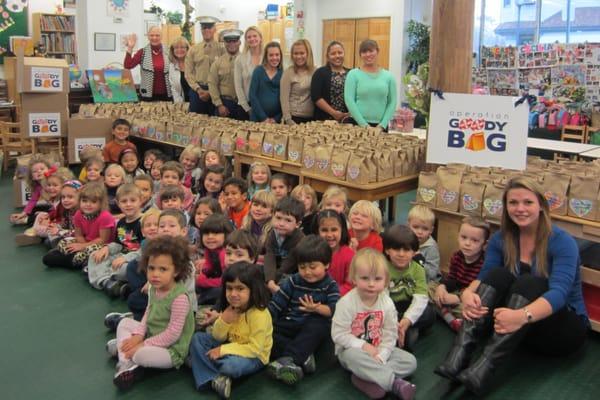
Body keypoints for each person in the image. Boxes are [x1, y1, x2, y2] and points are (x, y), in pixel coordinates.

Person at [435, 177, 589, 396]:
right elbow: (486, 275)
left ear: (541, 207)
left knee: (530, 282)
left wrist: (521, 316)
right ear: (506, 207)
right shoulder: (501, 239)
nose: (520, 208)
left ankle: (484, 368)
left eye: (528, 202)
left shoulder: (562, 242)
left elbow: (560, 294)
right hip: (517, 330)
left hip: (560, 330)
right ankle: (458, 357)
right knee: (499, 274)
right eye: (513, 203)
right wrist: (468, 293)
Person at [109, 236, 195, 390]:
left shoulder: (180, 298)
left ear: (176, 271)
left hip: (171, 350)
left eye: (163, 269)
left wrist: (143, 344)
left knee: (141, 355)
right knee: (124, 323)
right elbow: (148, 312)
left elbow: (173, 335)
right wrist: (139, 335)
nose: (155, 274)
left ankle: (126, 356)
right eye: (151, 268)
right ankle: (125, 364)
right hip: (152, 335)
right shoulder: (153, 288)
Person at [332, 249, 417, 400]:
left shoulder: (387, 303)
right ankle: (394, 384)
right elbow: (338, 335)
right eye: (365, 278)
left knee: (410, 362)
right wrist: (363, 346)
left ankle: (365, 378)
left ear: (385, 280)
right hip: (353, 352)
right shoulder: (345, 303)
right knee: (352, 356)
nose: (371, 284)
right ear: (354, 278)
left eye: (377, 279)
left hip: (379, 351)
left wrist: (383, 355)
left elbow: (390, 333)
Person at [190, 262, 272, 399]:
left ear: (254, 289)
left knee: (231, 366)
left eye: (240, 289)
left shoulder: (260, 314)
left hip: (254, 357)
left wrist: (222, 350)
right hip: (230, 346)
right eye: (229, 288)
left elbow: (255, 349)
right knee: (198, 338)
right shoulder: (231, 307)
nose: (233, 294)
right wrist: (224, 320)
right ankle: (214, 379)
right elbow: (218, 337)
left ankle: (202, 364)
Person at [268, 235, 340, 385]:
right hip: (290, 322)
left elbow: (333, 311)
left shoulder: (330, 285)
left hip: (311, 326)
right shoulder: (293, 281)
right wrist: (264, 321)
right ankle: (303, 357)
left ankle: (289, 360)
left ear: (326, 264)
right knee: (268, 334)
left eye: (313, 267)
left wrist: (317, 308)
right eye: (302, 267)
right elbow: (277, 303)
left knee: (320, 326)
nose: (307, 272)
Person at [429, 217, 489, 332]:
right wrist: (442, 287)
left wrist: (457, 298)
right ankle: (450, 317)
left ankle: (443, 312)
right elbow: (452, 278)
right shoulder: (457, 256)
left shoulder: (485, 263)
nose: (467, 243)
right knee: (429, 288)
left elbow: (479, 291)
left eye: (475, 240)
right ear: (458, 236)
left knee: (475, 312)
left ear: (484, 244)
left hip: (470, 299)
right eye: (463, 237)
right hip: (455, 292)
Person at [382, 224, 435, 351]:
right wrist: (393, 320)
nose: (401, 254)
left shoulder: (418, 269)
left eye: (406, 250)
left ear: (414, 252)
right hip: (389, 306)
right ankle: (404, 330)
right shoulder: (382, 267)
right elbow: (382, 298)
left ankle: (405, 328)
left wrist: (407, 320)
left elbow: (421, 297)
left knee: (430, 313)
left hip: (409, 305)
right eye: (396, 249)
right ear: (387, 250)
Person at [42, 182, 116, 269]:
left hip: (101, 245)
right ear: (79, 201)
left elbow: (103, 240)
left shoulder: (105, 216)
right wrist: (81, 245)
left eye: (93, 202)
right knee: (63, 243)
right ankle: (75, 258)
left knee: (90, 251)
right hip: (85, 241)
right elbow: (78, 234)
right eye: (84, 201)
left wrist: (83, 246)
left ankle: (74, 261)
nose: (88, 204)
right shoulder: (78, 214)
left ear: (101, 203)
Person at [87, 184, 143, 294]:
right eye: (124, 201)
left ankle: (100, 275)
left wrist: (126, 258)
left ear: (140, 201)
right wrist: (107, 248)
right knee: (94, 256)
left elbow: (145, 250)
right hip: (121, 255)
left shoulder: (145, 222)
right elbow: (119, 243)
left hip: (136, 260)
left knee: (125, 269)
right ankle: (106, 282)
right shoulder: (121, 222)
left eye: (133, 200)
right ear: (118, 203)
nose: (128, 204)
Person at [344, 39, 397, 131]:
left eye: (371, 51)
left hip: (381, 126)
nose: (368, 54)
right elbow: (349, 100)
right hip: (356, 124)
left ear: (377, 51)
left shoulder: (389, 76)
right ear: (360, 54)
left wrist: (382, 125)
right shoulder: (353, 74)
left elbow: (392, 102)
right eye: (364, 52)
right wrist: (364, 125)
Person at [264, 197, 305, 293]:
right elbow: (269, 256)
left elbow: (288, 265)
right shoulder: (273, 233)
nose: (281, 223)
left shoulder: (299, 239)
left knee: (286, 283)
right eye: (278, 218)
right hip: (275, 272)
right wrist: (270, 280)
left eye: (288, 220)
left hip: (291, 272)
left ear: (297, 224)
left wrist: (272, 282)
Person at [185, 16, 225, 115]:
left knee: (215, 125)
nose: (206, 30)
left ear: (214, 29)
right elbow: (188, 73)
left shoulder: (222, 49)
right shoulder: (193, 50)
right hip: (197, 92)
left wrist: (211, 92)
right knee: (195, 124)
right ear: (201, 30)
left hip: (217, 92)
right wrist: (198, 89)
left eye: (209, 27)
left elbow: (225, 74)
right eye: (204, 28)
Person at [124, 26, 172, 101]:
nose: (154, 38)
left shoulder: (169, 51)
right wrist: (130, 47)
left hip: (167, 94)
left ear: (161, 36)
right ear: (148, 36)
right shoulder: (142, 52)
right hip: (147, 95)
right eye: (152, 35)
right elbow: (128, 66)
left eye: (157, 35)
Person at [196, 214, 234, 305]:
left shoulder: (224, 253)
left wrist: (204, 281)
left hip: (229, 285)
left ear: (227, 234)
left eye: (215, 233)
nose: (210, 237)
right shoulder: (209, 249)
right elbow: (208, 267)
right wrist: (202, 274)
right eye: (206, 233)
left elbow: (226, 280)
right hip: (217, 280)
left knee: (217, 292)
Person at [208, 29, 246, 120]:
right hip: (225, 104)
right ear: (224, 43)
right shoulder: (217, 63)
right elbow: (212, 85)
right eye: (228, 41)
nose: (231, 44)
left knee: (242, 133)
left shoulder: (247, 61)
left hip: (243, 104)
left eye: (235, 41)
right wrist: (219, 105)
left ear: (239, 42)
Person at [315, 210, 355, 296]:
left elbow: (350, 284)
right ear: (317, 231)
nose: (329, 235)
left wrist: (331, 295)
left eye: (334, 230)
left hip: (341, 299)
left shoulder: (349, 255)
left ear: (342, 230)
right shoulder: (311, 253)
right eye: (324, 230)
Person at [311, 41, 350, 121]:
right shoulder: (320, 73)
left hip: (347, 120)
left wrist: (350, 113)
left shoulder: (351, 73)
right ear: (328, 57)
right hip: (324, 120)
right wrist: (333, 113)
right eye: (333, 53)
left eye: (340, 53)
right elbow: (316, 96)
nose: (337, 56)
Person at [280, 39, 315, 124]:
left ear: (308, 54)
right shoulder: (288, 73)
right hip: (293, 118)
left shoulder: (315, 71)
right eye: (295, 53)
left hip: (312, 119)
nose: (298, 56)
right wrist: (288, 119)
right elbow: (283, 99)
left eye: (302, 53)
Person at [248, 41, 283, 123]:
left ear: (280, 56)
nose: (274, 58)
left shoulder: (283, 74)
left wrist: (276, 118)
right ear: (266, 56)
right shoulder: (258, 71)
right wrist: (263, 118)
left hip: (275, 121)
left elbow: (285, 100)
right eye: (271, 55)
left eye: (277, 55)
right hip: (257, 118)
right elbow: (252, 95)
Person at [233, 26, 263, 120]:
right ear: (246, 40)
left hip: (264, 105)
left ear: (260, 38)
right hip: (245, 106)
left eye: (255, 36)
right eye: (249, 37)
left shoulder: (267, 57)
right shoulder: (240, 59)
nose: (252, 39)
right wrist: (247, 109)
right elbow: (238, 86)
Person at [407, 205, 441, 282]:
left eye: (425, 228)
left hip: (427, 282)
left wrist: (419, 260)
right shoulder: (405, 240)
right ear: (408, 225)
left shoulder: (431, 248)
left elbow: (432, 274)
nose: (420, 232)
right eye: (415, 227)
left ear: (431, 230)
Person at [168, 36, 191, 103]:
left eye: (182, 47)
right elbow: (174, 89)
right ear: (173, 50)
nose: (179, 50)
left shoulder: (194, 64)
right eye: (176, 48)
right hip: (180, 103)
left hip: (197, 102)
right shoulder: (171, 67)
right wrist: (180, 105)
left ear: (187, 49)